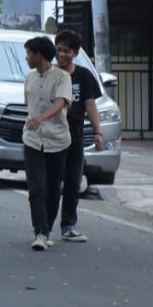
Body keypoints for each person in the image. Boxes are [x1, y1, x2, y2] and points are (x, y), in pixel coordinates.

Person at [22, 35, 73, 251]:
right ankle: (40, 232)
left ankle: (47, 228)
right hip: (32, 139)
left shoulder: (62, 77)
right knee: (36, 187)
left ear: (39, 55)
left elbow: (61, 102)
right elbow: (28, 104)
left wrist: (42, 117)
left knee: (53, 188)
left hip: (57, 139)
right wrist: (35, 119)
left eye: (28, 54)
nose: (26, 58)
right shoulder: (29, 78)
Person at [54, 29, 104, 243]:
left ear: (75, 53)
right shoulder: (50, 74)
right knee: (50, 183)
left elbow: (90, 105)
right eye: (58, 50)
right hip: (51, 137)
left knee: (73, 183)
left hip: (74, 137)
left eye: (66, 51)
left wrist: (98, 132)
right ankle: (43, 226)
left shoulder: (83, 76)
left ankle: (68, 226)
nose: (61, 54)